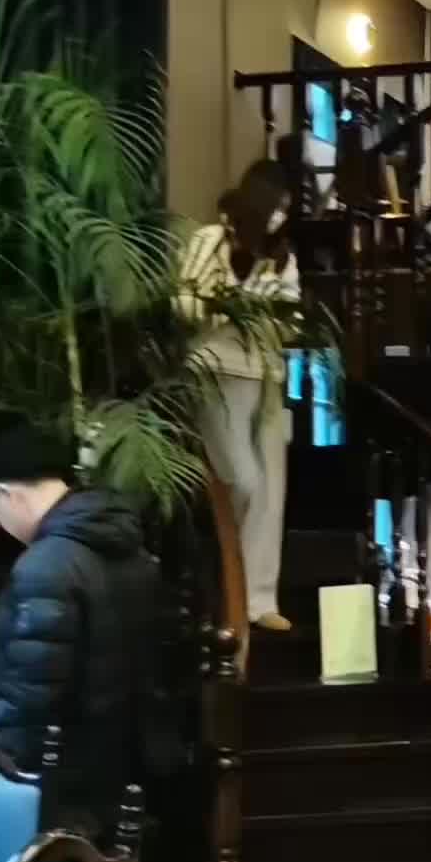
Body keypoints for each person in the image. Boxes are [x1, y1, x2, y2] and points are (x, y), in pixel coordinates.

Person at [0, 418, 161, 841]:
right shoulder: (125, 546)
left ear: (7, 494)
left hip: (56, 790)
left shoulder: (46, 566)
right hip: (115, 775)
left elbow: (27, 702)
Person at [180, 160, 300, 633]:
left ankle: (259, 599)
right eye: (277, 206)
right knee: (243, 480)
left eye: (287, 209)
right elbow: (182, 302)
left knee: (270, 491)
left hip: (264, 375)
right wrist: (223, 307)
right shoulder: (210, 241)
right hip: (215, 371)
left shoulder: (281, 256)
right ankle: (230, 589)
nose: (281, 216)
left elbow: (291, 321)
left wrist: (270, 314)